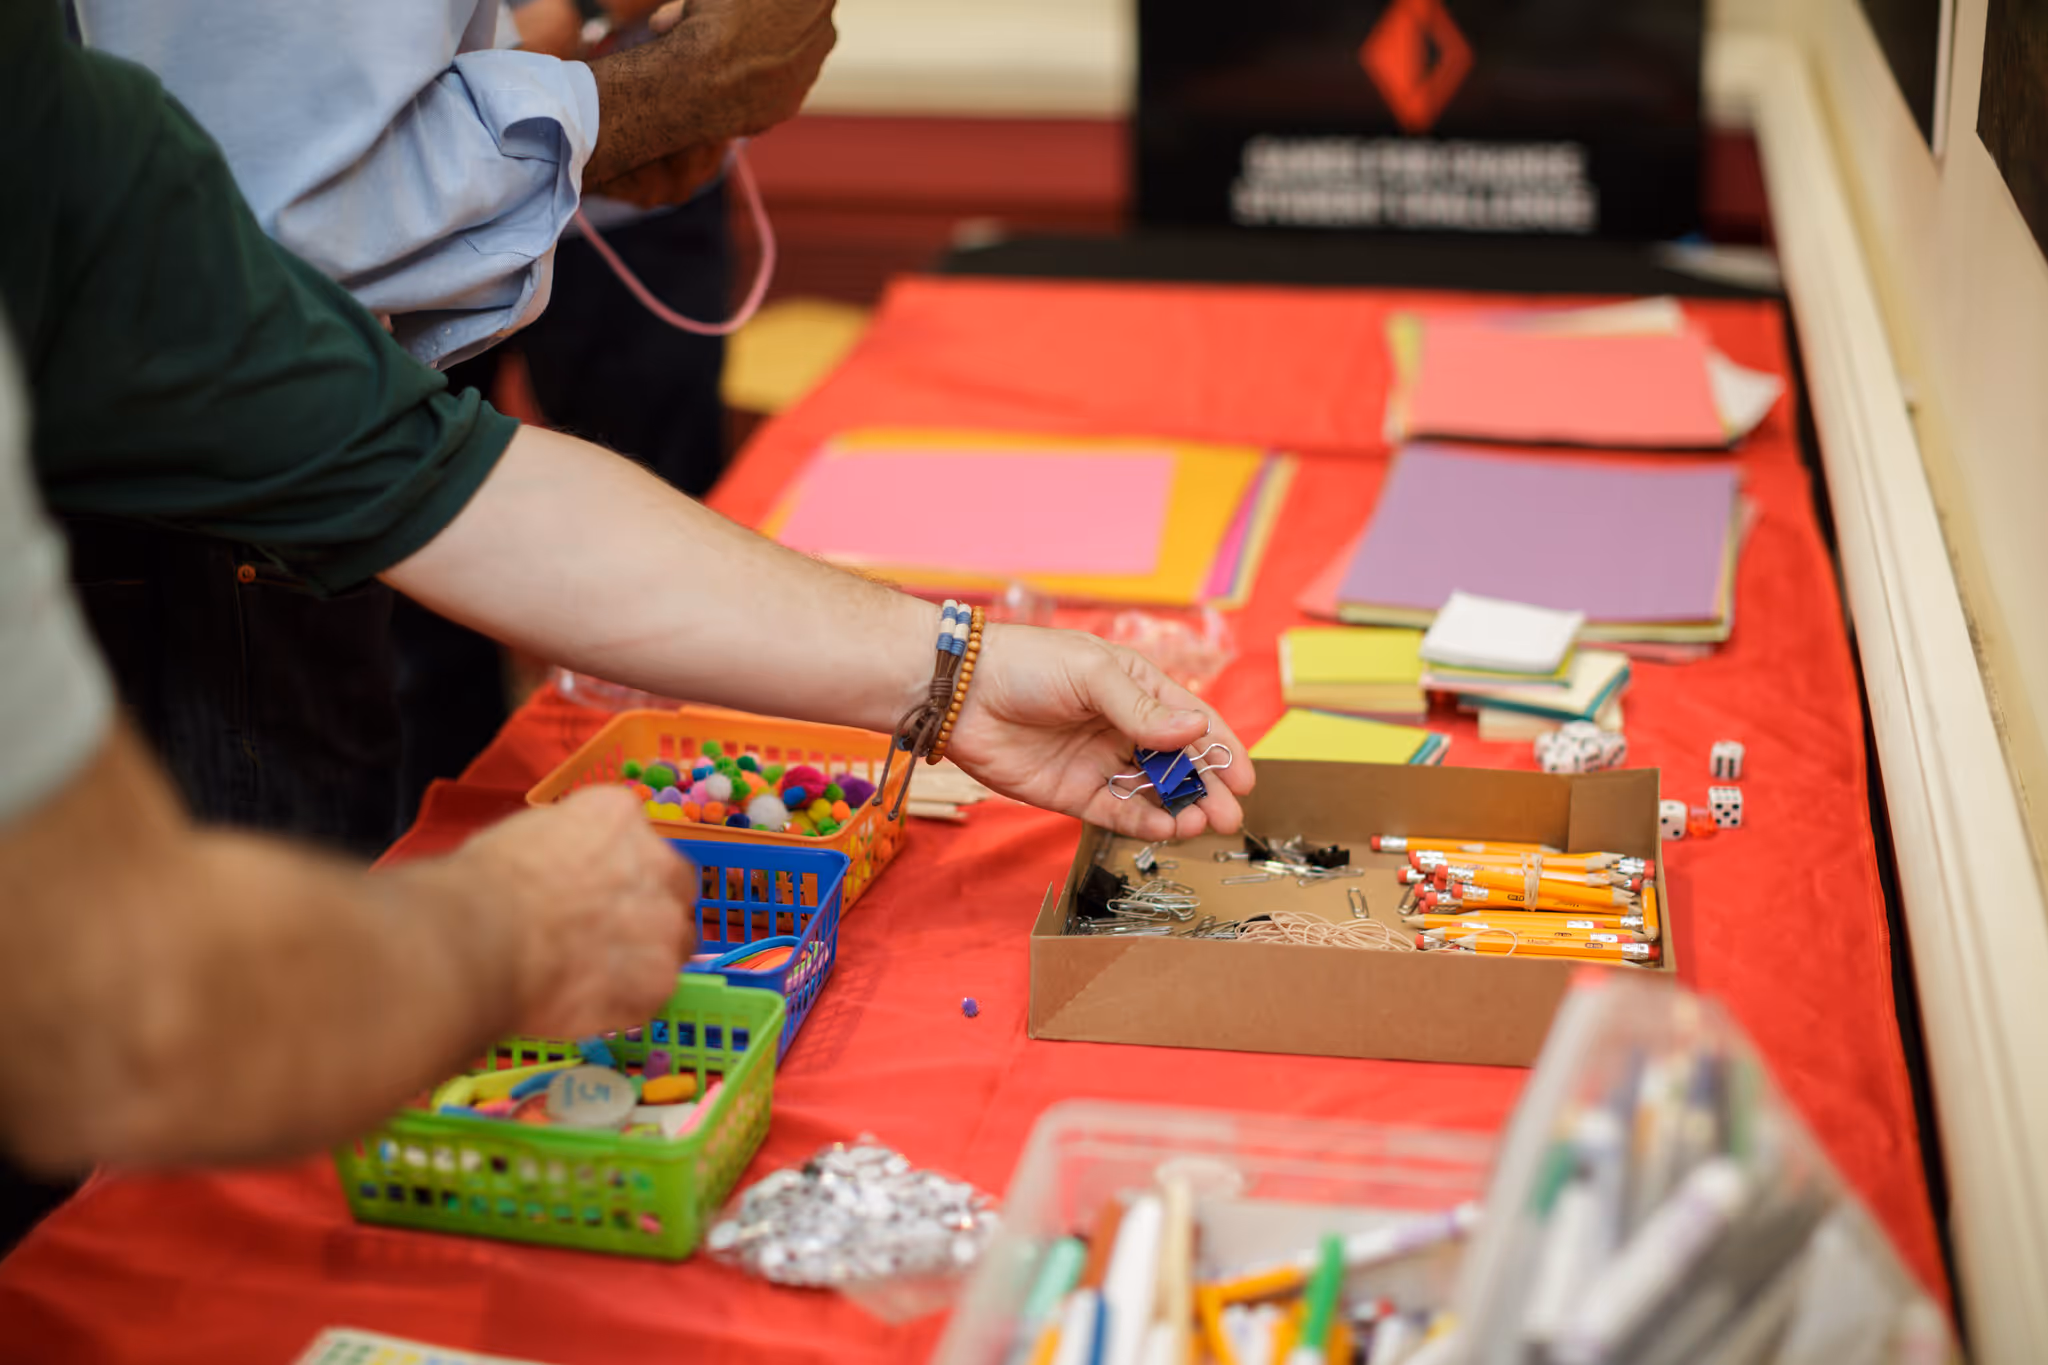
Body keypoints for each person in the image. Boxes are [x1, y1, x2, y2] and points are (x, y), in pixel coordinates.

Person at [0, 0, 1253, 1221]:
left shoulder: (68, 126)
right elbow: (110, 1006)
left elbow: (430, 475)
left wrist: (959, 676)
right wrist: (493, 932)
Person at [70, 0, 824, 838]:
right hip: (204, 510)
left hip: (258, 466)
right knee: (288, 917)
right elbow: (285, 206)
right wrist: (662, 90)